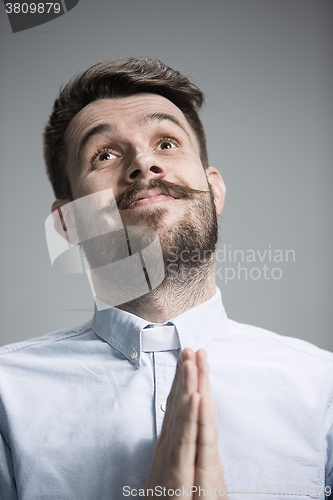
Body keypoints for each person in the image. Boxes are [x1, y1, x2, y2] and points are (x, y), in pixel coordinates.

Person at [0, 57, 332, 500]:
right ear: (68, 224)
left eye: (167, 143)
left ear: (213, 192)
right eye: (105, 154)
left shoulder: (323, 389)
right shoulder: (5, 396)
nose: (143, 163)